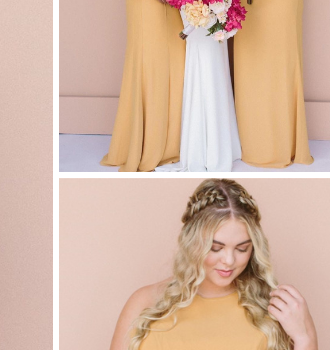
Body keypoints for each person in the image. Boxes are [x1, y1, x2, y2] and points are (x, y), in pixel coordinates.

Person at [109, 179, 318, 350]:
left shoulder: (277, 307)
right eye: (216, 248)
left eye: (242, 248)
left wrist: (304, 339)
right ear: (193, 243)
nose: (229, 261)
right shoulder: (145, 302)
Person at [100, 0, 186, 172]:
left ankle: (171, 144)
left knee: (177, 55)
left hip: (175, 6)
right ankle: (149, 143)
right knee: (150, 57)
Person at [156, 4, 242, 172]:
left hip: (213, 10)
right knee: (204, 64)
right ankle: (205, 150)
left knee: (214, 64)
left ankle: (218, 149)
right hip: (193, 9)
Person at [233, 0, 314, 168]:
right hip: (248, 5)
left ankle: (281, 145)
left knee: (281, 65)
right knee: (251, 66)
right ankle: (255, 144)